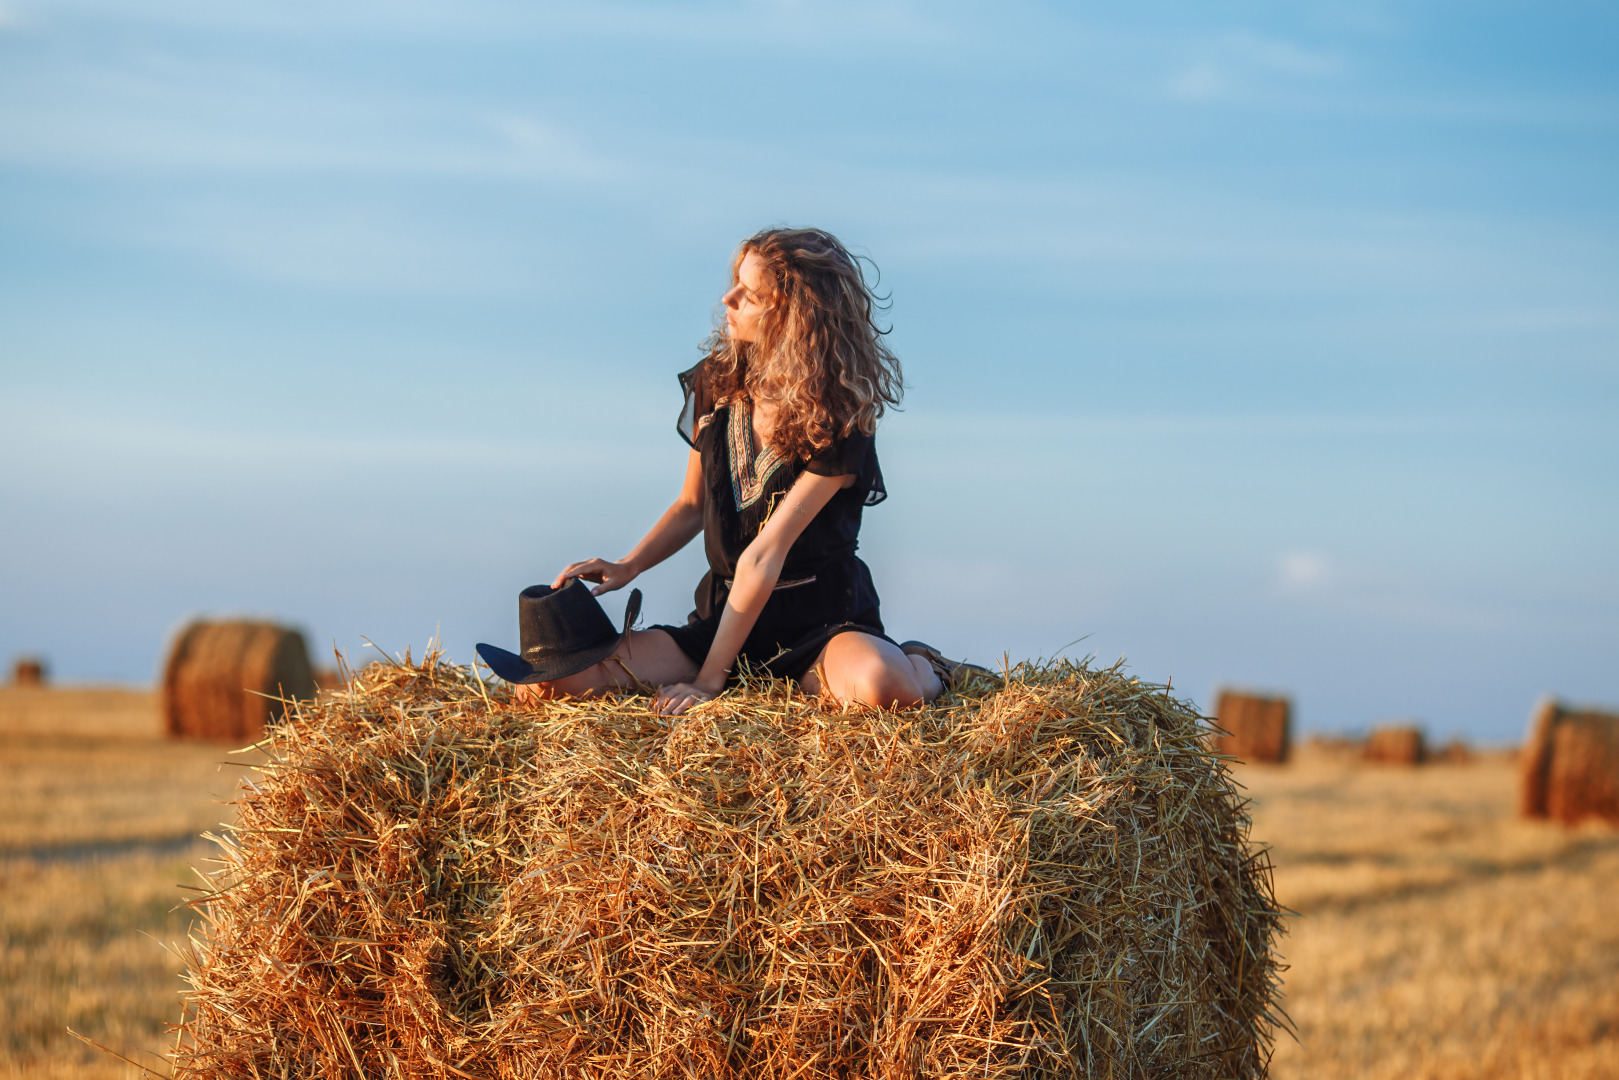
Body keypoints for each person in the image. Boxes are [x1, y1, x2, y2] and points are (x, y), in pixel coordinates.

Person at [521, 227, 983, 716]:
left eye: (750, 294)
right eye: (735, 283)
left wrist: (707, 682)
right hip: (723, 619)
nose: (728, 297)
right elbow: (692, 505)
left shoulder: (842, 415)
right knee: (558, 684)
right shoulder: (715, 383)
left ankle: (925, 663)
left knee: (884, 688)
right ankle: (741, 668)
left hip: (819, 628)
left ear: (794, 317)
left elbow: (766, 554)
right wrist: (628, 564)